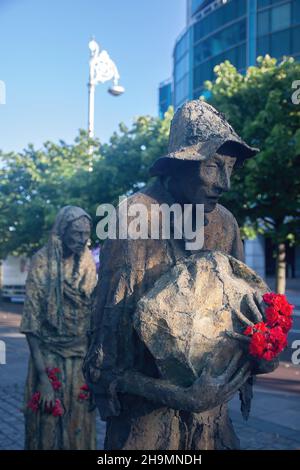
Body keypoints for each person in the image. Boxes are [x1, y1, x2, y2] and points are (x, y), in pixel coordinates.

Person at [84, 100, 278, 450]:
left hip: (211, 423)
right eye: (212, 167)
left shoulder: (225, 223)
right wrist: (182, 396)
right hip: (146, 424)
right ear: (181, 164)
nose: (225, 183)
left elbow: (239, 318)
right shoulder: (134, 218)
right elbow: (105, 365)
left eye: (230, 168)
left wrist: (259, 352)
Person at [20, 206, 97, 450]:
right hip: (49, 359)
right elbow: (31, 325)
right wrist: (43, 379)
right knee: (48, 425)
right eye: (76, 233)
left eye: (85, 233)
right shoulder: (42, 262)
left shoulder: (86, 262)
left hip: (80, 361)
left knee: (79, 425)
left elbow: (93, 316)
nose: (82, 239)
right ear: (62, 232)